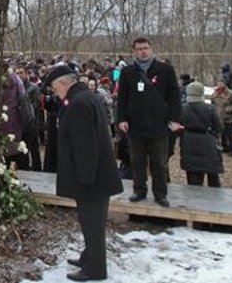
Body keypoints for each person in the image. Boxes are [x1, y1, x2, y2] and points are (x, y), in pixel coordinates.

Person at [50, 64, 122, 282]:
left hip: (92, 178)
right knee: (91, 221)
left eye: (55, 88)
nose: (55, 93)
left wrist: (86, 177)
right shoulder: (85, 97)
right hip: (97, 175)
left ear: (63, 83)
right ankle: (88, 257)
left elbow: (85, 146)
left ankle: (95, 269)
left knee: (92, 224)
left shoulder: (79, 104)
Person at [116, 37, 181, 207]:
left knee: (159, 162)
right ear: (134, 52)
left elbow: (174, 96)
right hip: (135, 125)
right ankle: (139, 190)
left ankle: (160, 194)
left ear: (151, 49)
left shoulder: (165, 70)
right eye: (138, 49)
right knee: (137, 161)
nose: (142, 51)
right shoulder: (128, 72)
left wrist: (175, 119)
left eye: (145, 48)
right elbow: (122, 98)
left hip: (159, 124)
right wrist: (121, 119)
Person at [179, 82, 223, 187]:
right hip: (208, 142)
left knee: (193, 181)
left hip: (189, 142)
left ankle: (195, 202)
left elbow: (177, 126)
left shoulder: (182, 108)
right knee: (213, 178)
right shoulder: (210, 108)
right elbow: (220, 127)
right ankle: (216, 202)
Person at [1, 63, 29, 170]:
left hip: (0, 123)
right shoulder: (17, 81)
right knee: (12, 153)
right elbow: (23, 99)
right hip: (14, 122)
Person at [210, 80, 232, 156]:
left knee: (230, 135)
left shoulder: (230, 93)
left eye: (221, 83)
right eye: (218, 83)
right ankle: (225, 147)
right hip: (218, 116)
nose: (219, 84)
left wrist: (227, 109)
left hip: (227, 117)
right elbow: (212, 103)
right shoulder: (215, 93)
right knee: (222, 133)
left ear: (224, 84)